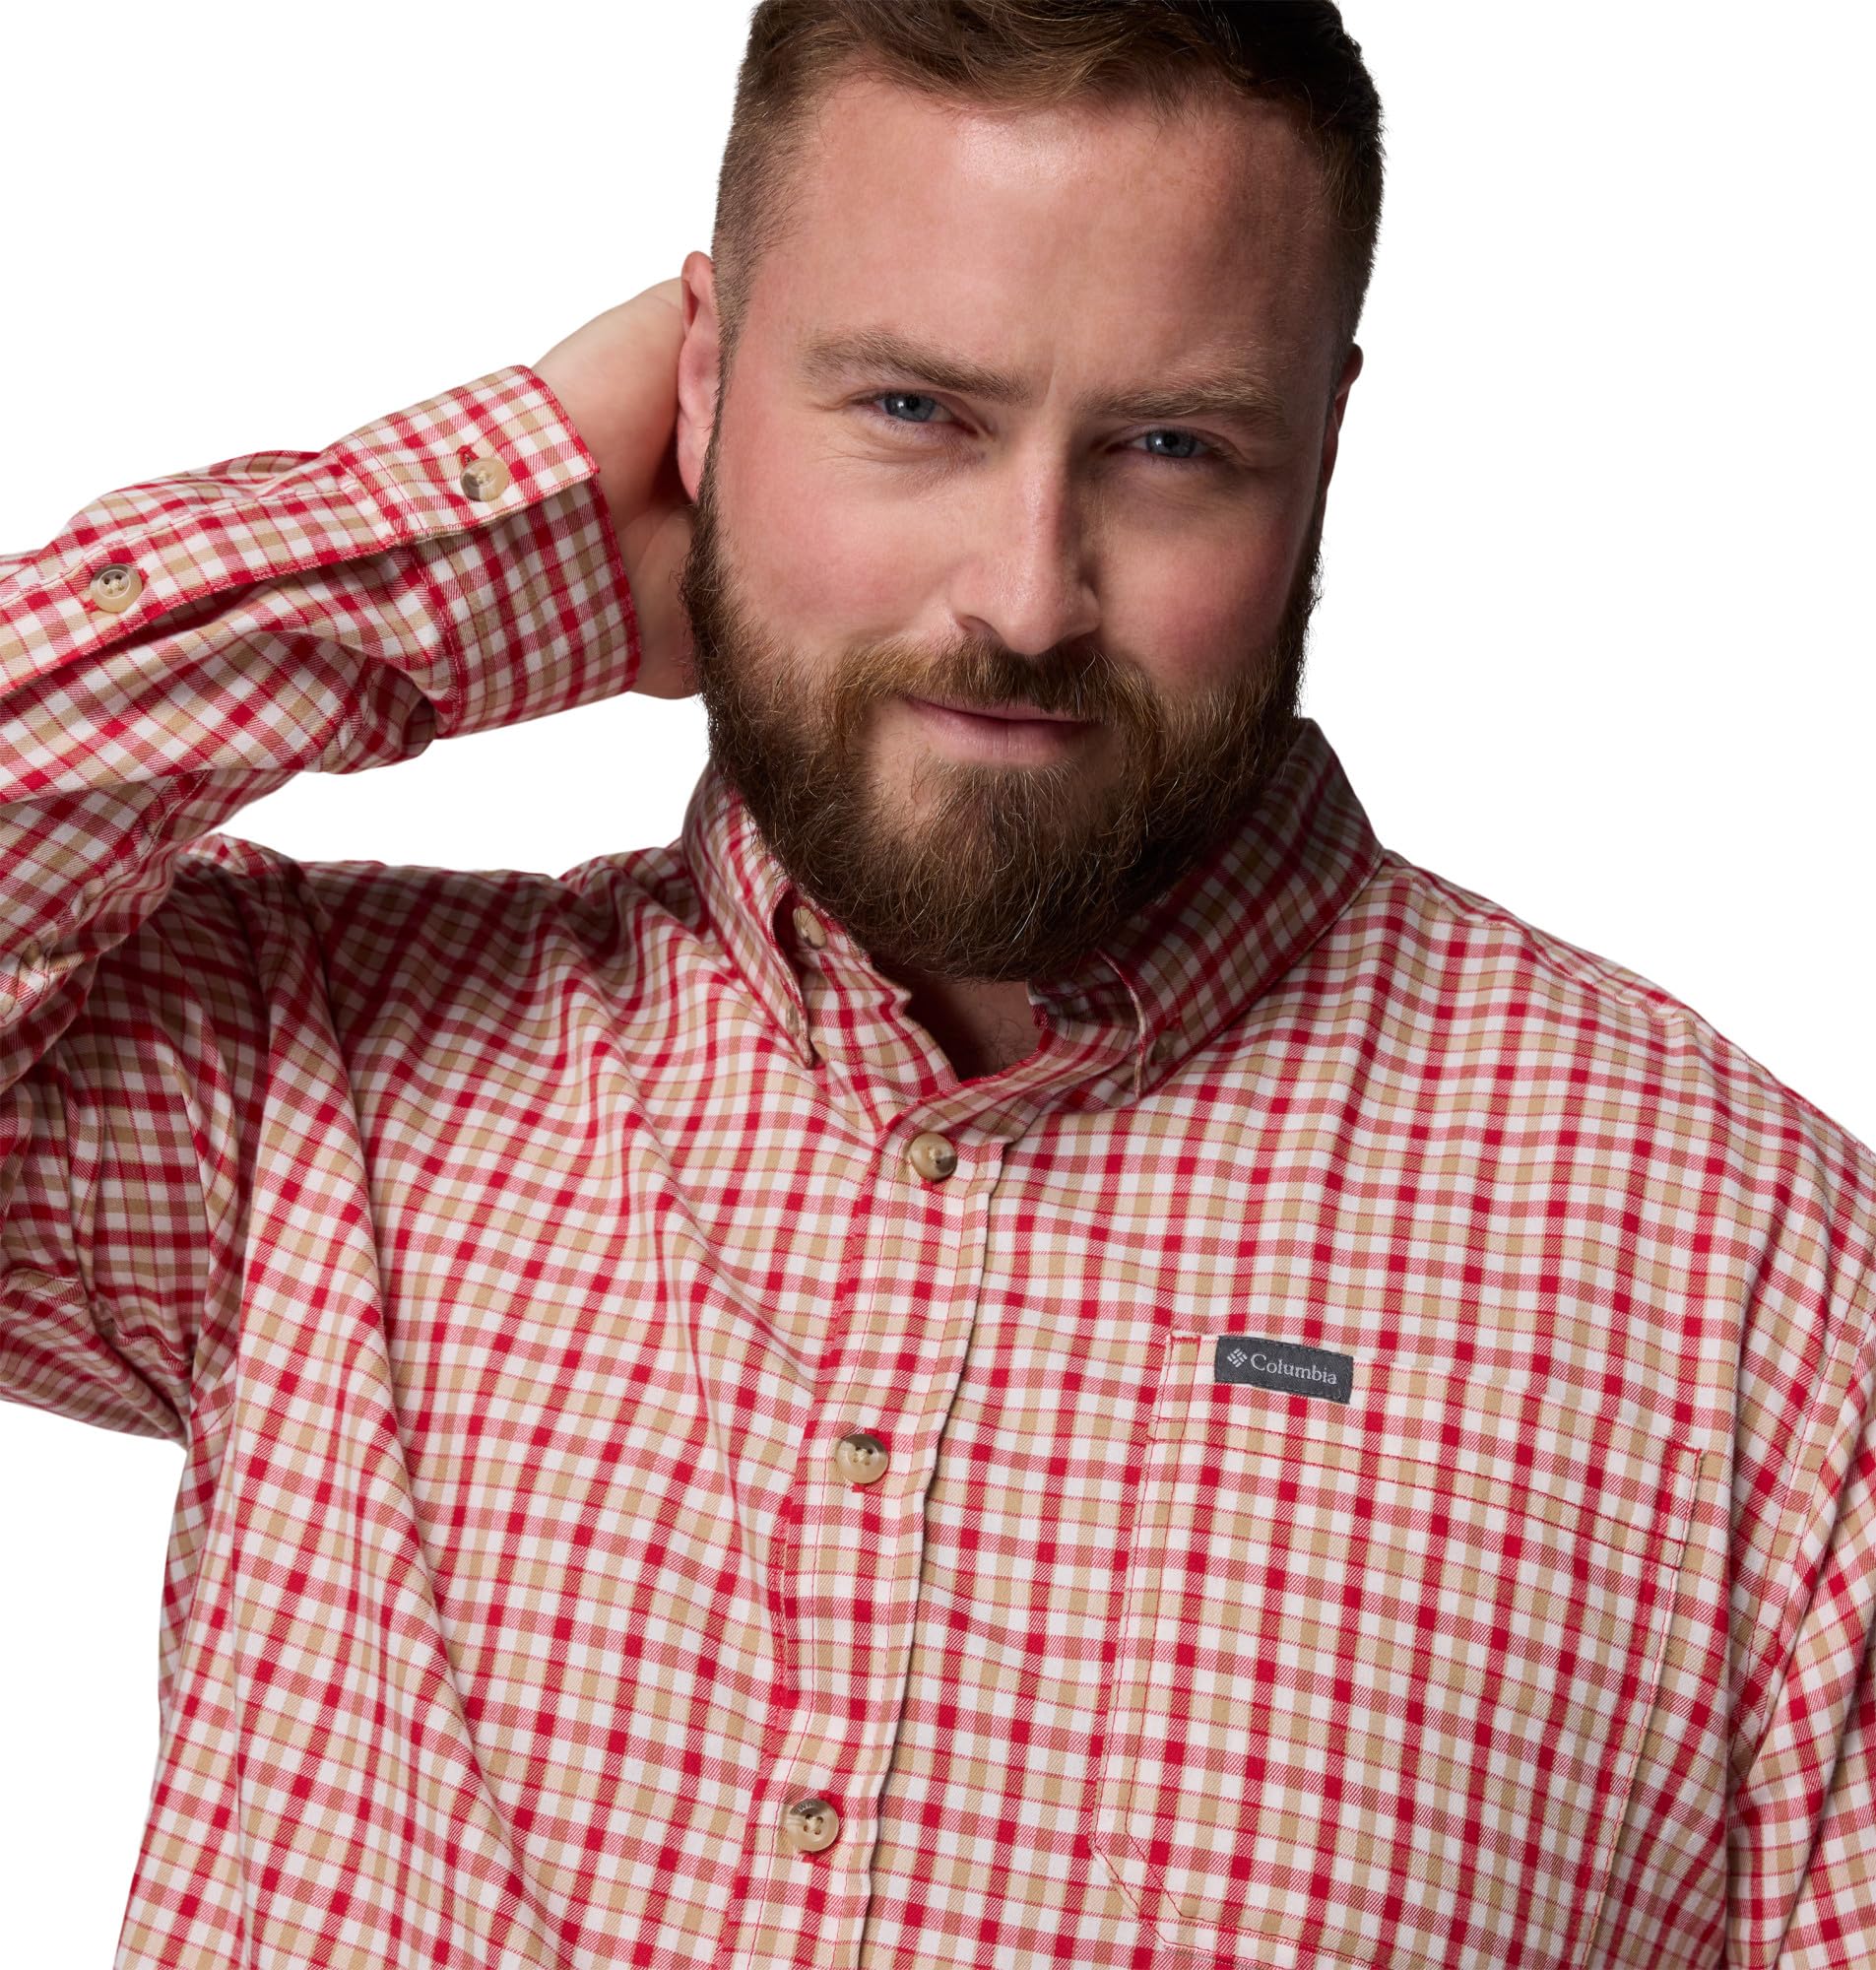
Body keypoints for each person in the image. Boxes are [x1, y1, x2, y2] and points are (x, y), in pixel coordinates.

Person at [2, 1, 1871, 1964]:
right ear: (702, 387)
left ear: (1321, 451)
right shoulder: (298, 1092)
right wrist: (485, 550)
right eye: (911, 411)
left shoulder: (1761, 1302)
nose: (1025, 594)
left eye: (1170, 448)